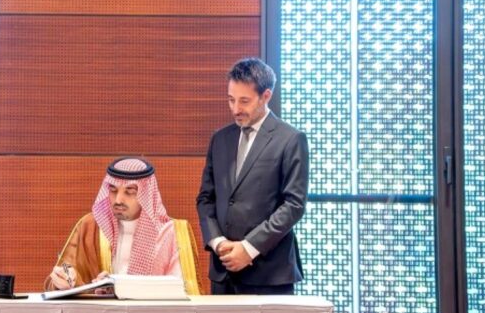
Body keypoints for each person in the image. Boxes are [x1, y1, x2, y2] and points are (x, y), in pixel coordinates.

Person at [196, 57, 309, 295]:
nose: (235, 109)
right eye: (231, 99)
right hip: (223, 271)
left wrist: (249, 248)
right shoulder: (220, 138)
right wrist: (218, 242)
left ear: (266, 96)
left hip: (270, 274)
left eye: (244, 101)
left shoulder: (290, 139)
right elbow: (206, 198)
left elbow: (294, 205)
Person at [46, 157, 182, 291]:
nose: (118, 200)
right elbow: (61, 274)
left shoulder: (170, 233)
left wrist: (119, 287)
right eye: (113, 190)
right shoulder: (91, 226)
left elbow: (182, 290)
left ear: (146, 195)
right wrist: (65, 280)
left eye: (129, 192)